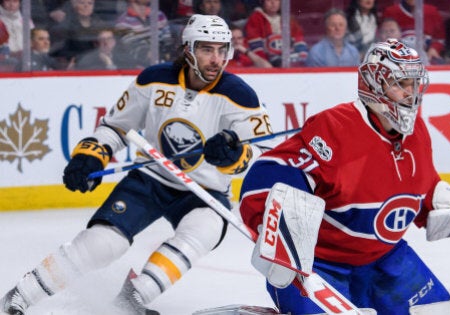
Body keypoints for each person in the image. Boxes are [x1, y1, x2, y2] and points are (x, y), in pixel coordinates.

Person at [0, 14, 273, 315]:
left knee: (204, 229)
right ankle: (21, 295)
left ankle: (134, 297)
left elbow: (261, 153)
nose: (216, 59)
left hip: (203, 190)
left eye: (222, 50)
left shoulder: (241, 95)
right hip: (151, 178)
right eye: (208, 49)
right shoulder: (154, 80)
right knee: (104, 243)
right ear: (188, 49)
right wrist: (91, 155)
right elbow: (115, 127)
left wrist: (235, 157)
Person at [238, 39, 450, 313]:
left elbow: (420, 191)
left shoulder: (417, 134)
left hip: (386, 260)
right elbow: (269, 174)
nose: (411, 93)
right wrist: (274, 226)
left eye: (414, 83)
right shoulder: (336, 128)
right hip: (319, 265)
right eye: (401, 84)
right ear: (374, 85)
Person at [244, 0, 308, 67]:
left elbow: (299, 39)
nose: (273, 3)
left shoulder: (287, 17)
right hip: (268, 61)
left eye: (277, 0)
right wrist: (265, 64)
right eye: (269, 0)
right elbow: (256, 48)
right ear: (262, 2)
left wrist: (302, 55)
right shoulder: (255, 18)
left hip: (289, 57)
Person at [48, 0, 109, 70]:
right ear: (74, 5)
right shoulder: (66, 25)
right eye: (82, 3)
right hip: (74, 64)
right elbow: (59, 49)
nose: (86, 6)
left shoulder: (100, 24)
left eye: (90, 3)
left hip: (98, 63)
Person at [115, 0, 174, 68]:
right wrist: (150, 54)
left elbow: (167, 40)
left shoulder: (159, 15)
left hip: (163, 62)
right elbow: (132, 48)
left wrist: (164, 53)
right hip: (138, 67)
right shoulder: (123, 22)